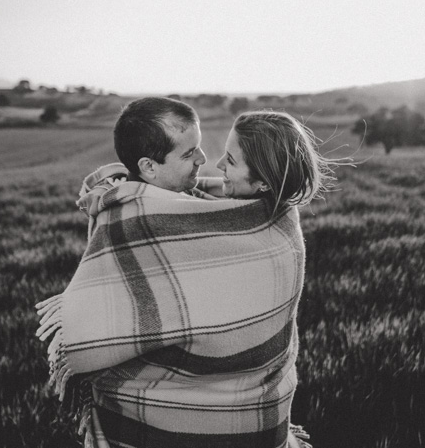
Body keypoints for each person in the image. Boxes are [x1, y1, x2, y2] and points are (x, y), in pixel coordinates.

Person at [37, 100, 337, 448]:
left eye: (231, 160)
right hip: (251, 420)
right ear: (148, 167)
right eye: (190, 152)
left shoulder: (274, 224)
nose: (209, 162)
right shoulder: (140, 220)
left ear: (263, 182)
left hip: (250, 402)